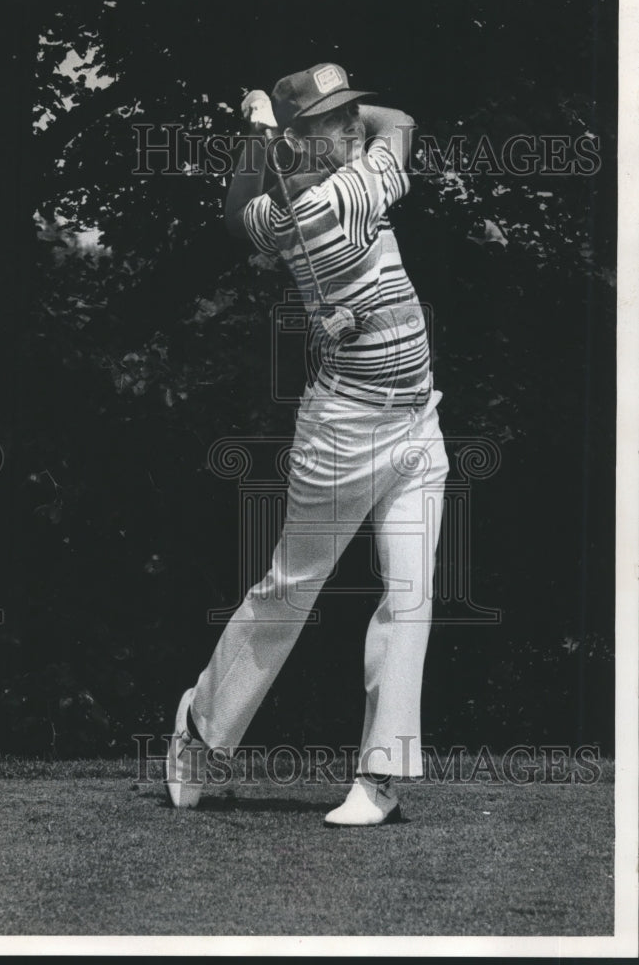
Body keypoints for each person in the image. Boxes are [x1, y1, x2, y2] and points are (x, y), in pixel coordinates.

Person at [165, 63, 449, 826]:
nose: (352, 126)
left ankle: (378, 778)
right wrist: (281, 133)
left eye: (350, 111)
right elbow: (402, 127)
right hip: (344, 433)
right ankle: (197, 728)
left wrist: (267, 131)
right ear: (300, 142)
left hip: (417, 419)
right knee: (290, 590)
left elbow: (237, 214)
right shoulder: (338, 199)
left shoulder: (304, 194)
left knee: (411, 592)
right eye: (332, 121)